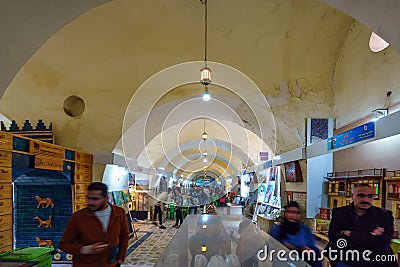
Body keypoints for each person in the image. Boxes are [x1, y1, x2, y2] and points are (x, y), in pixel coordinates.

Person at [59, 182, 129, 267]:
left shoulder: (119, 213)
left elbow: (124, 236)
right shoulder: (78, 217)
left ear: (106, 198)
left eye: (95, 199)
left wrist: (121, 257)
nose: (90, 202)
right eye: (88, 198)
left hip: (111, 263)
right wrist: (86, 249)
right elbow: (64, 244)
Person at [327, 183, 397, 267]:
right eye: (361, 195)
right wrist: (370, 235)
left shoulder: (384, 215)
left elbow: (383, 241)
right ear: (353, 196)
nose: (366, 199)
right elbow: (334, 237)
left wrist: (349, 233)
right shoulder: (339, 213)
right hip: (347, 260)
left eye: (370, 196)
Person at [270, 201, 322, 267]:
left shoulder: (305, 230)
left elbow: (314, 253)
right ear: (285, 213)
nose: (293, 215)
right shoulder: (276, 230)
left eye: (296, 212)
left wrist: (302, 249)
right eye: (290, 212)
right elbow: (270, 249)